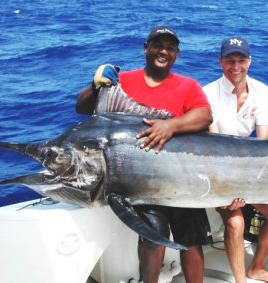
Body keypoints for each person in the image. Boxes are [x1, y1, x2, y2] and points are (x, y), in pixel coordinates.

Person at [76, 25, 213, 283]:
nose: (164, 51)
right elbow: (82, 108)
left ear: (176, 54)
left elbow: (205, 116)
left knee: (192, 242)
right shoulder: (123, 81)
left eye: (170, 48)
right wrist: (95, 86)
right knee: (152, 237)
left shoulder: (188, 85)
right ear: (145, 48)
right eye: (158, 45)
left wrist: (170, 126)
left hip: (183, 178)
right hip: (140, 183)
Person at [202, 36, 268, 283]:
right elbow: (215, 144)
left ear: (249, 61)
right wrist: (232, 189)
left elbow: (263, 142)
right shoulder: (207, 93)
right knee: (236, 223)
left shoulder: (261, 91)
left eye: (241, 60)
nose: (235, 66)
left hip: (249, 170)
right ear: (220, 62)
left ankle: (256, 267)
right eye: (230, 60)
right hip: (218, 173)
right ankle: (241, 280)